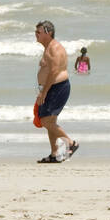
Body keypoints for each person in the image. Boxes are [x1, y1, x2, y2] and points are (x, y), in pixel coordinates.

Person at [34, 19, 78, 163]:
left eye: (39, 32)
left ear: (49, 32)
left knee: (46, 121)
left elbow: (54, 71)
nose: (36, 34)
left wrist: (44, 92)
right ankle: (54, 154)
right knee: (49, 121)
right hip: (52, 87)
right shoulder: (48, 48)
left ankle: (70, 143)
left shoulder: (55, 48)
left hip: (57, 87)